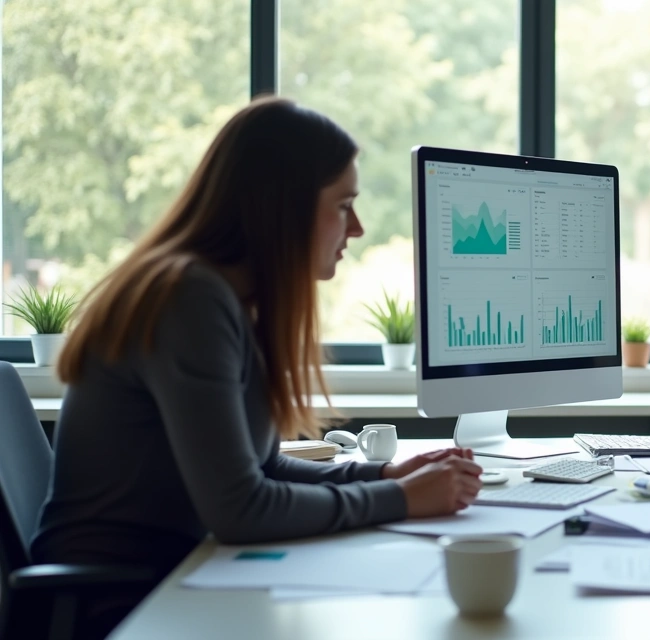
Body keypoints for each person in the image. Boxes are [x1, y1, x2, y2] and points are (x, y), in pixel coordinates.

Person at [32, 97, 482, 637]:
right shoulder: (188, 299)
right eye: (343, 205)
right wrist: (400, 499)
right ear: (283, 207)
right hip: (120, 607)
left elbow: (263, 468)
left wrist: (384, 474)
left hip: (180, 576)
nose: (357, 228)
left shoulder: (229, 298)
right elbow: (241, 509)